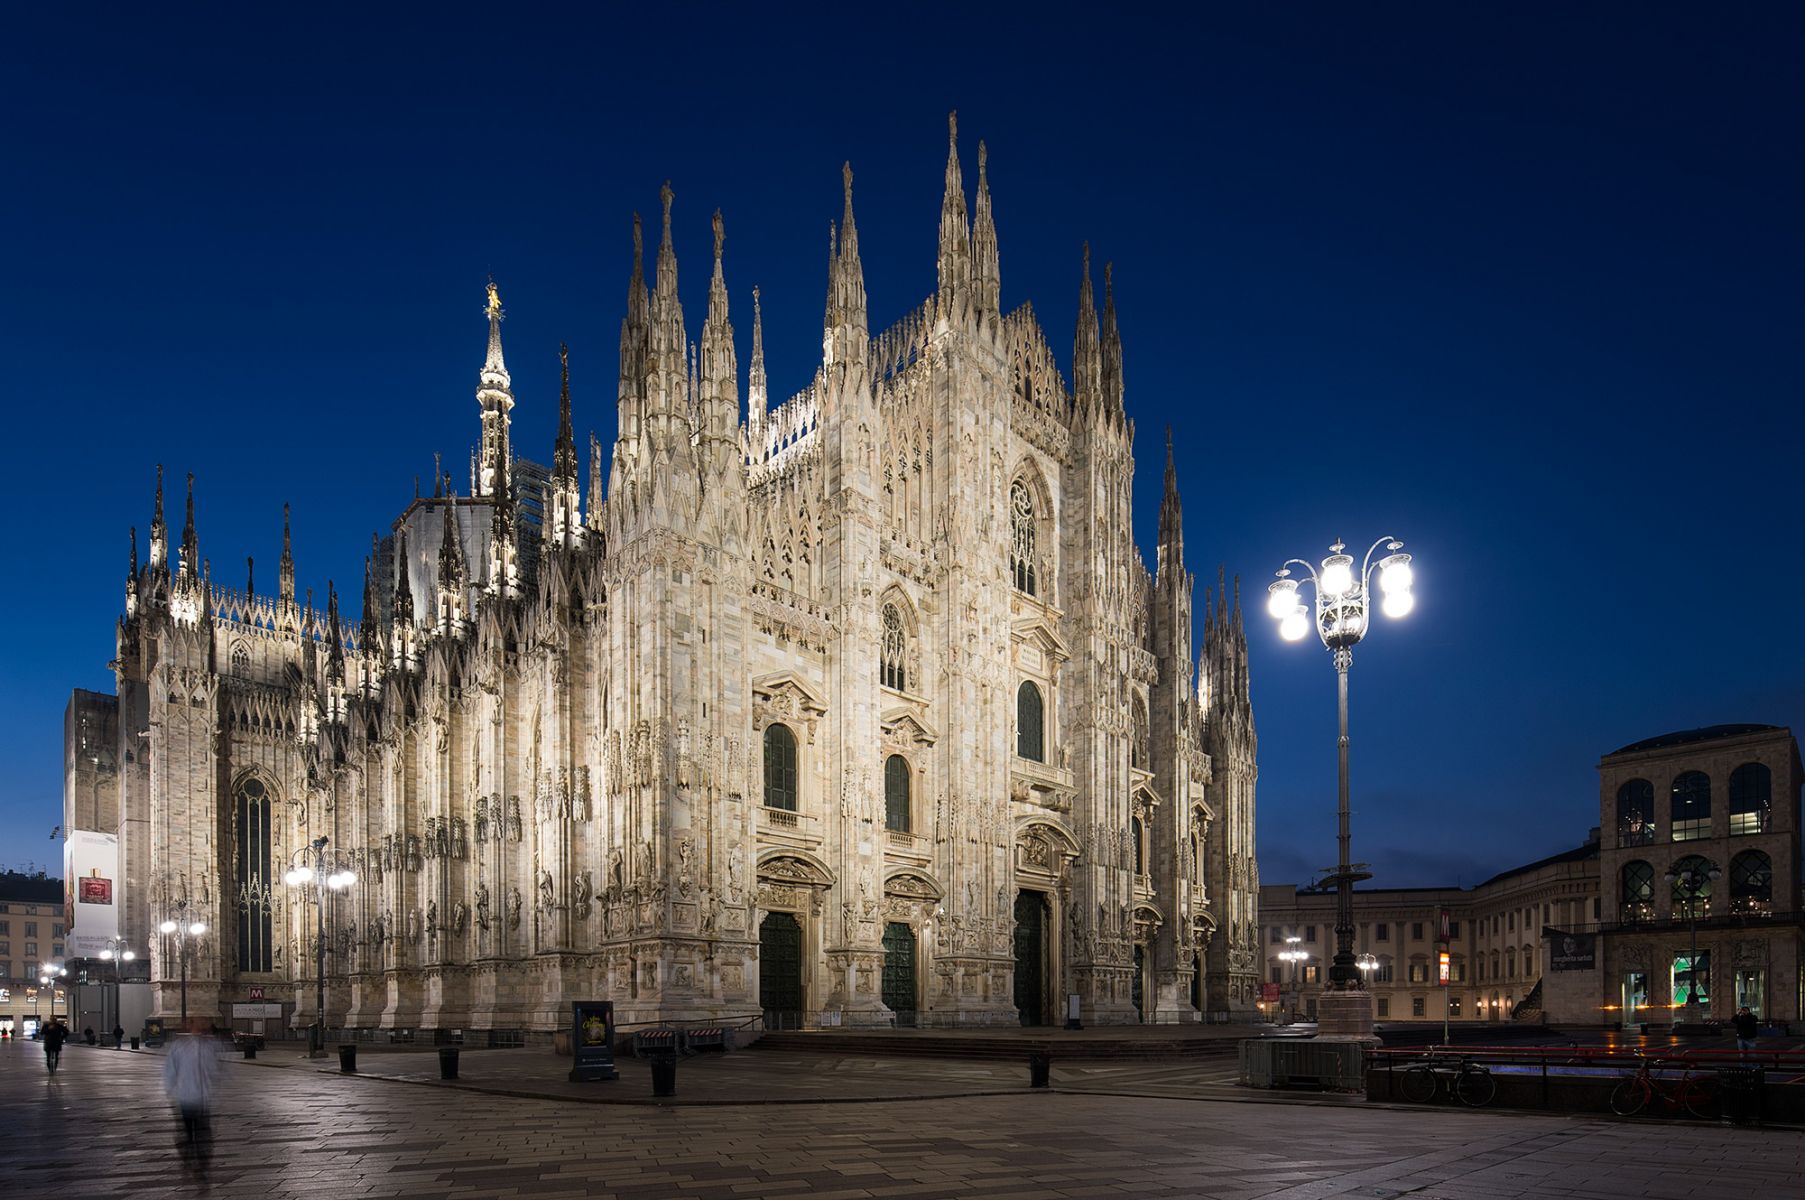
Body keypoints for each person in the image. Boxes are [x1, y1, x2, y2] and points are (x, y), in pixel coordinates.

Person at [163, 1017, 220, 1181]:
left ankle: (201, 1166)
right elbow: (170, 1070)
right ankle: (187, 1154)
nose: (201, 1028)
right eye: (198, 1025)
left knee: (203, 1134)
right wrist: (169, 1088)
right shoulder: (179, 1047)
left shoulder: (207, 1048)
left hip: (202, 1099)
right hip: (186, 1098)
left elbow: (213, 1070)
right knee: (189, 1133)